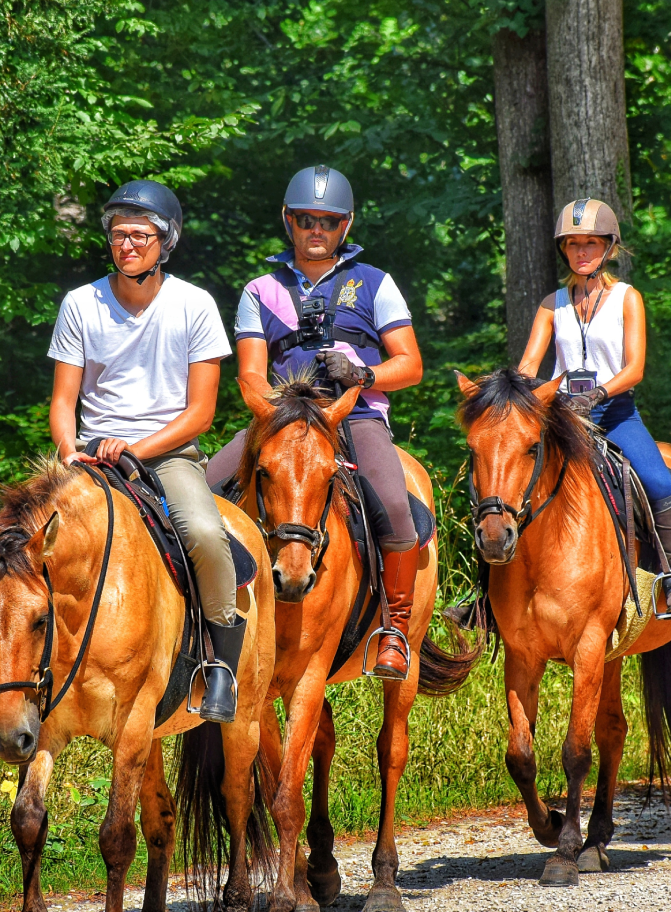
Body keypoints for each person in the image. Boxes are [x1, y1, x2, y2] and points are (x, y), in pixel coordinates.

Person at [204, 165, 426, 680]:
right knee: (203, 492)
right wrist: (278, 411)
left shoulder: (376, 283)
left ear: (346, 224)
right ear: (289, 220)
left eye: (328, 221)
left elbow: (411, 365)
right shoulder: (260, 289)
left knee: (396, 508)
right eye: (306, 220)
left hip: (356, 415)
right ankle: (204, 625)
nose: (316, 230)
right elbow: (251, 373)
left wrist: (363, 373)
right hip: (283, 421)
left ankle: (394, 630)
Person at [47, 180, 246, 723]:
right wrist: (69, 453)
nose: (126, 245)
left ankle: (220, 667)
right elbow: (63, 403)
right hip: (90, 456)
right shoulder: (80, 303)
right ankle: (13, 682)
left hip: (168, 453)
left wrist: (134, 449)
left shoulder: (194, 305)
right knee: (19, 540)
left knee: (204, 533)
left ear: (167, 241)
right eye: (118, 235)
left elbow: (201, 413)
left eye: (139, 235)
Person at [515, 199, 671, 616]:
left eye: (591, 243)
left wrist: (597, 394)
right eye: (573, 244)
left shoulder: (627, 298)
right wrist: (520, 393)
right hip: (561, 417)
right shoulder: (551, 304)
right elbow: (528, 366)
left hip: (614, 415)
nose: (581, 252)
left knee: (658, 482)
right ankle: (486, 596)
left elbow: (635, 368)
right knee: (509, 486)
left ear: (609, 248)